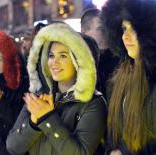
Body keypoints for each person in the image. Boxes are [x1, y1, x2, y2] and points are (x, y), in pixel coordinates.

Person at [6, 23, 107, 155]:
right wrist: (33, 124)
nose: (54, 62)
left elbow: (80, 152)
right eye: (51, 55)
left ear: (80, 61)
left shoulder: (93, 103)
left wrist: (47, 118)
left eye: (63, 56)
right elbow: (12, 147)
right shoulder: (38, 96)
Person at [101, 0, 156, 154]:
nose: (126, 36)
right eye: (124, 29)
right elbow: (113, 131)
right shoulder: (119, 77)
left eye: (134, 29)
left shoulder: (152, 79)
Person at [81, 8, 119, 99]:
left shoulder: (119, 59)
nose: (106, 33)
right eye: (101, 29)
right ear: (84, 32)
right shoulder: (76, 62)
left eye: (107, 28)